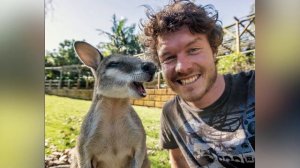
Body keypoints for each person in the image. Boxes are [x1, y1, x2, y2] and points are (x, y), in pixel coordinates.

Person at [142, 0, 255, 167]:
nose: (182, 67)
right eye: (169, 57)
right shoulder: (171, 113)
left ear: (214, 50)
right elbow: (178, 159)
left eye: (193, 49)